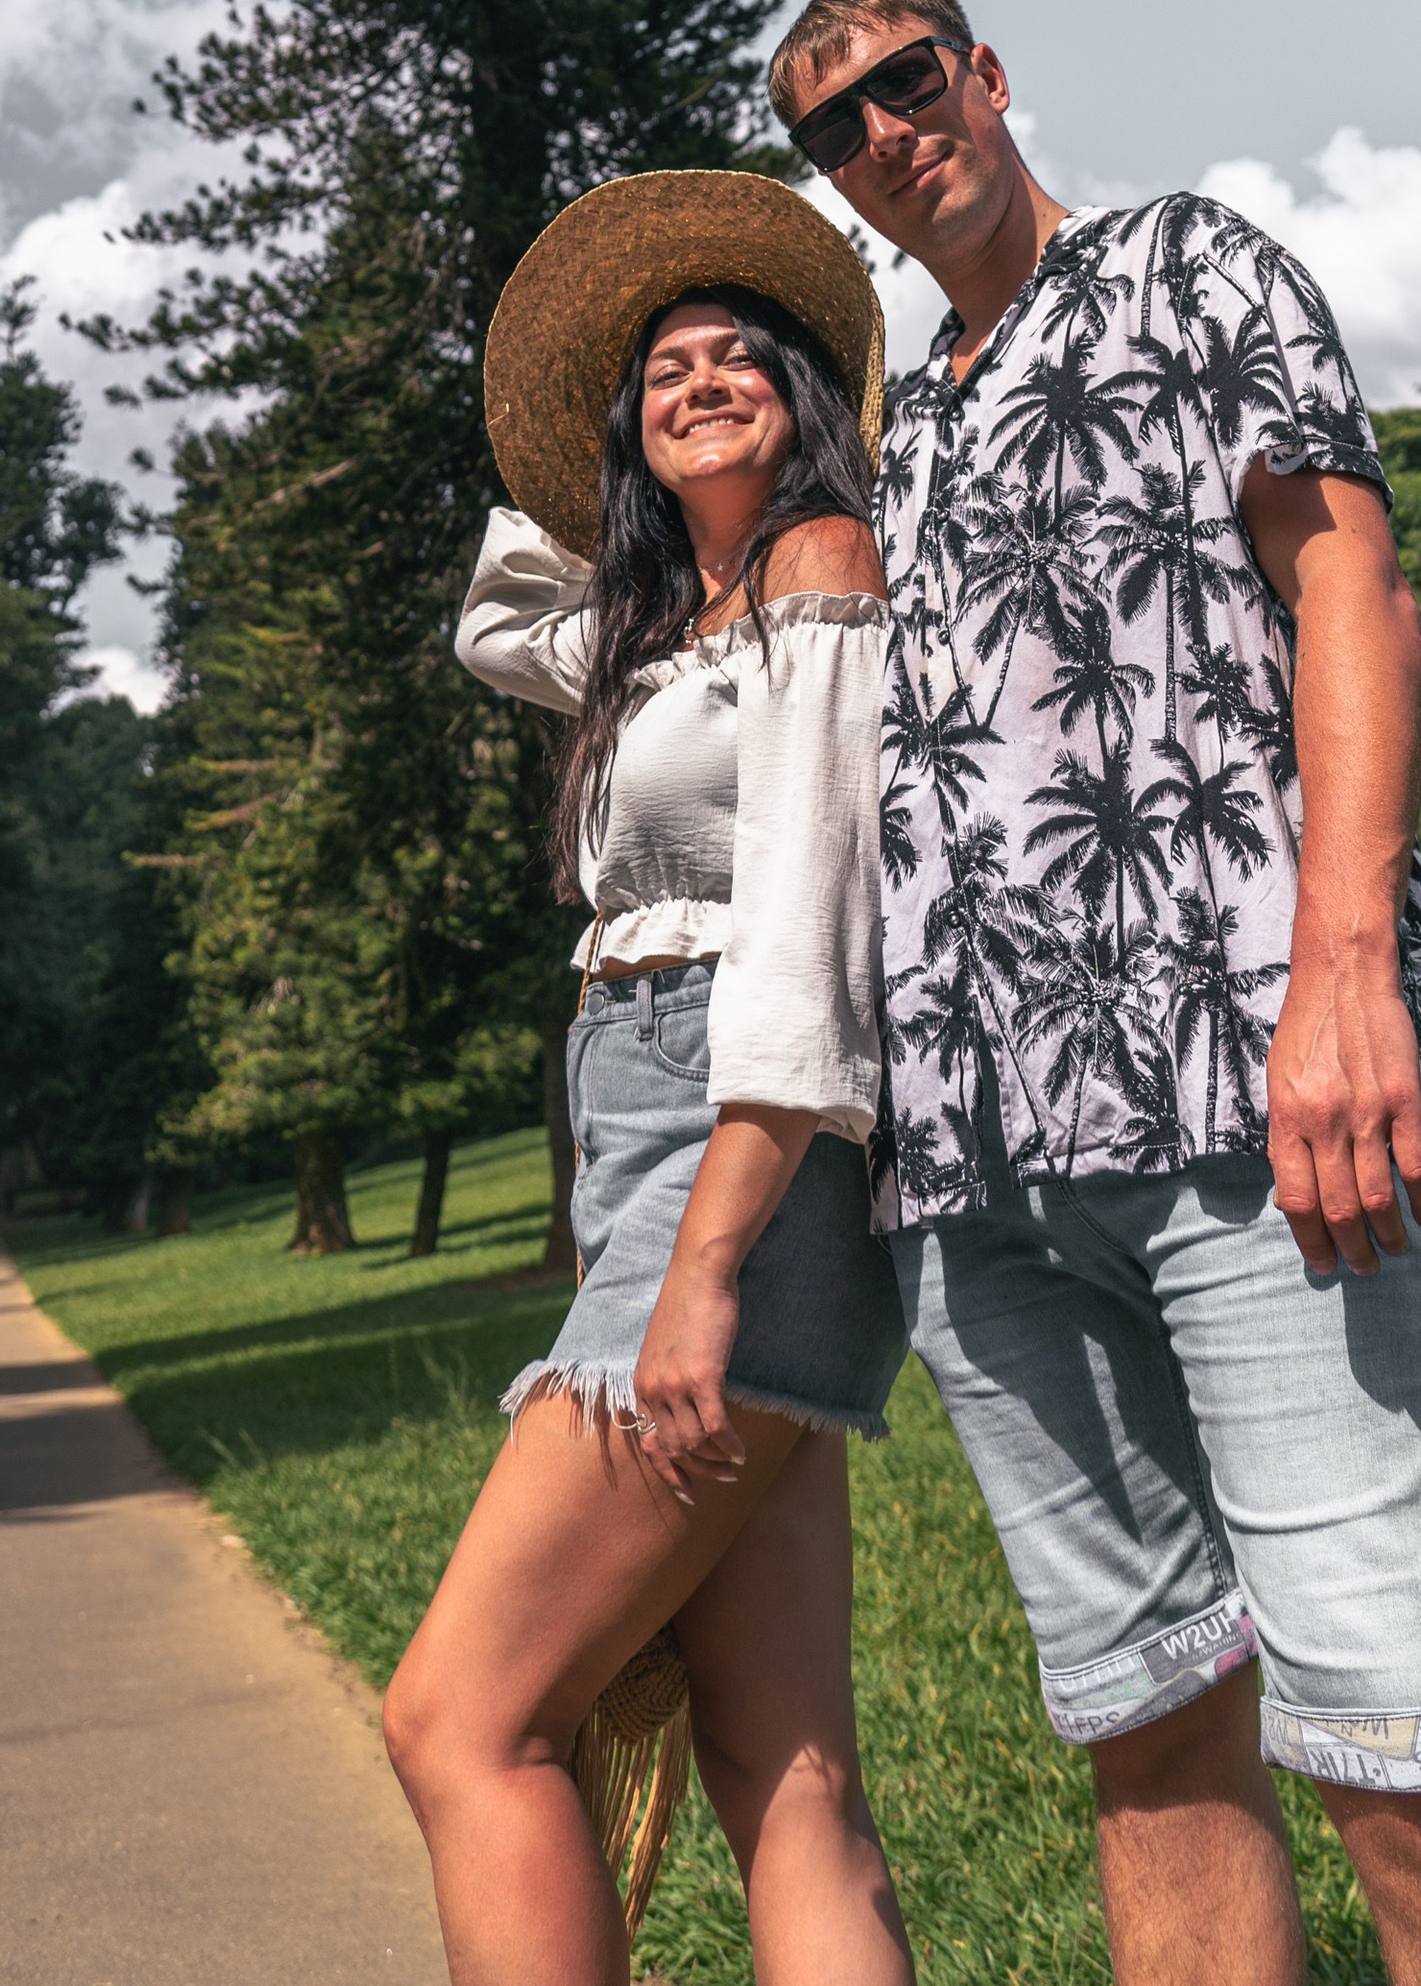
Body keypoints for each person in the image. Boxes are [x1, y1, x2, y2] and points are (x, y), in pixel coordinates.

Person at [772, 0, 1421, 1986]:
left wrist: (1343, 981)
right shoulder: (893, 433)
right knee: (1149, 1752)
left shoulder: (1184, 271)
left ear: (980, 78)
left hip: (1245, 1107)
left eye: (910, 83)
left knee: (1406, 1763)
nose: (890, 133)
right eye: (837, 127)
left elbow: (1351, 582)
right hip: (976, 1185)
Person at [382, 168, 915, 1986]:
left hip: (746, 1142)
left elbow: (806, 934)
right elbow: (488, 616)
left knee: (463, 1721)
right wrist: (605, 478)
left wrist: (703, 1265)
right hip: (655, 1131)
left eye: (741, 353)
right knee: (788, 1772)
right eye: (662, 368)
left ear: (809, 391)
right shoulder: (643, 632)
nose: (699, 377)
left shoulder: (822, 579)